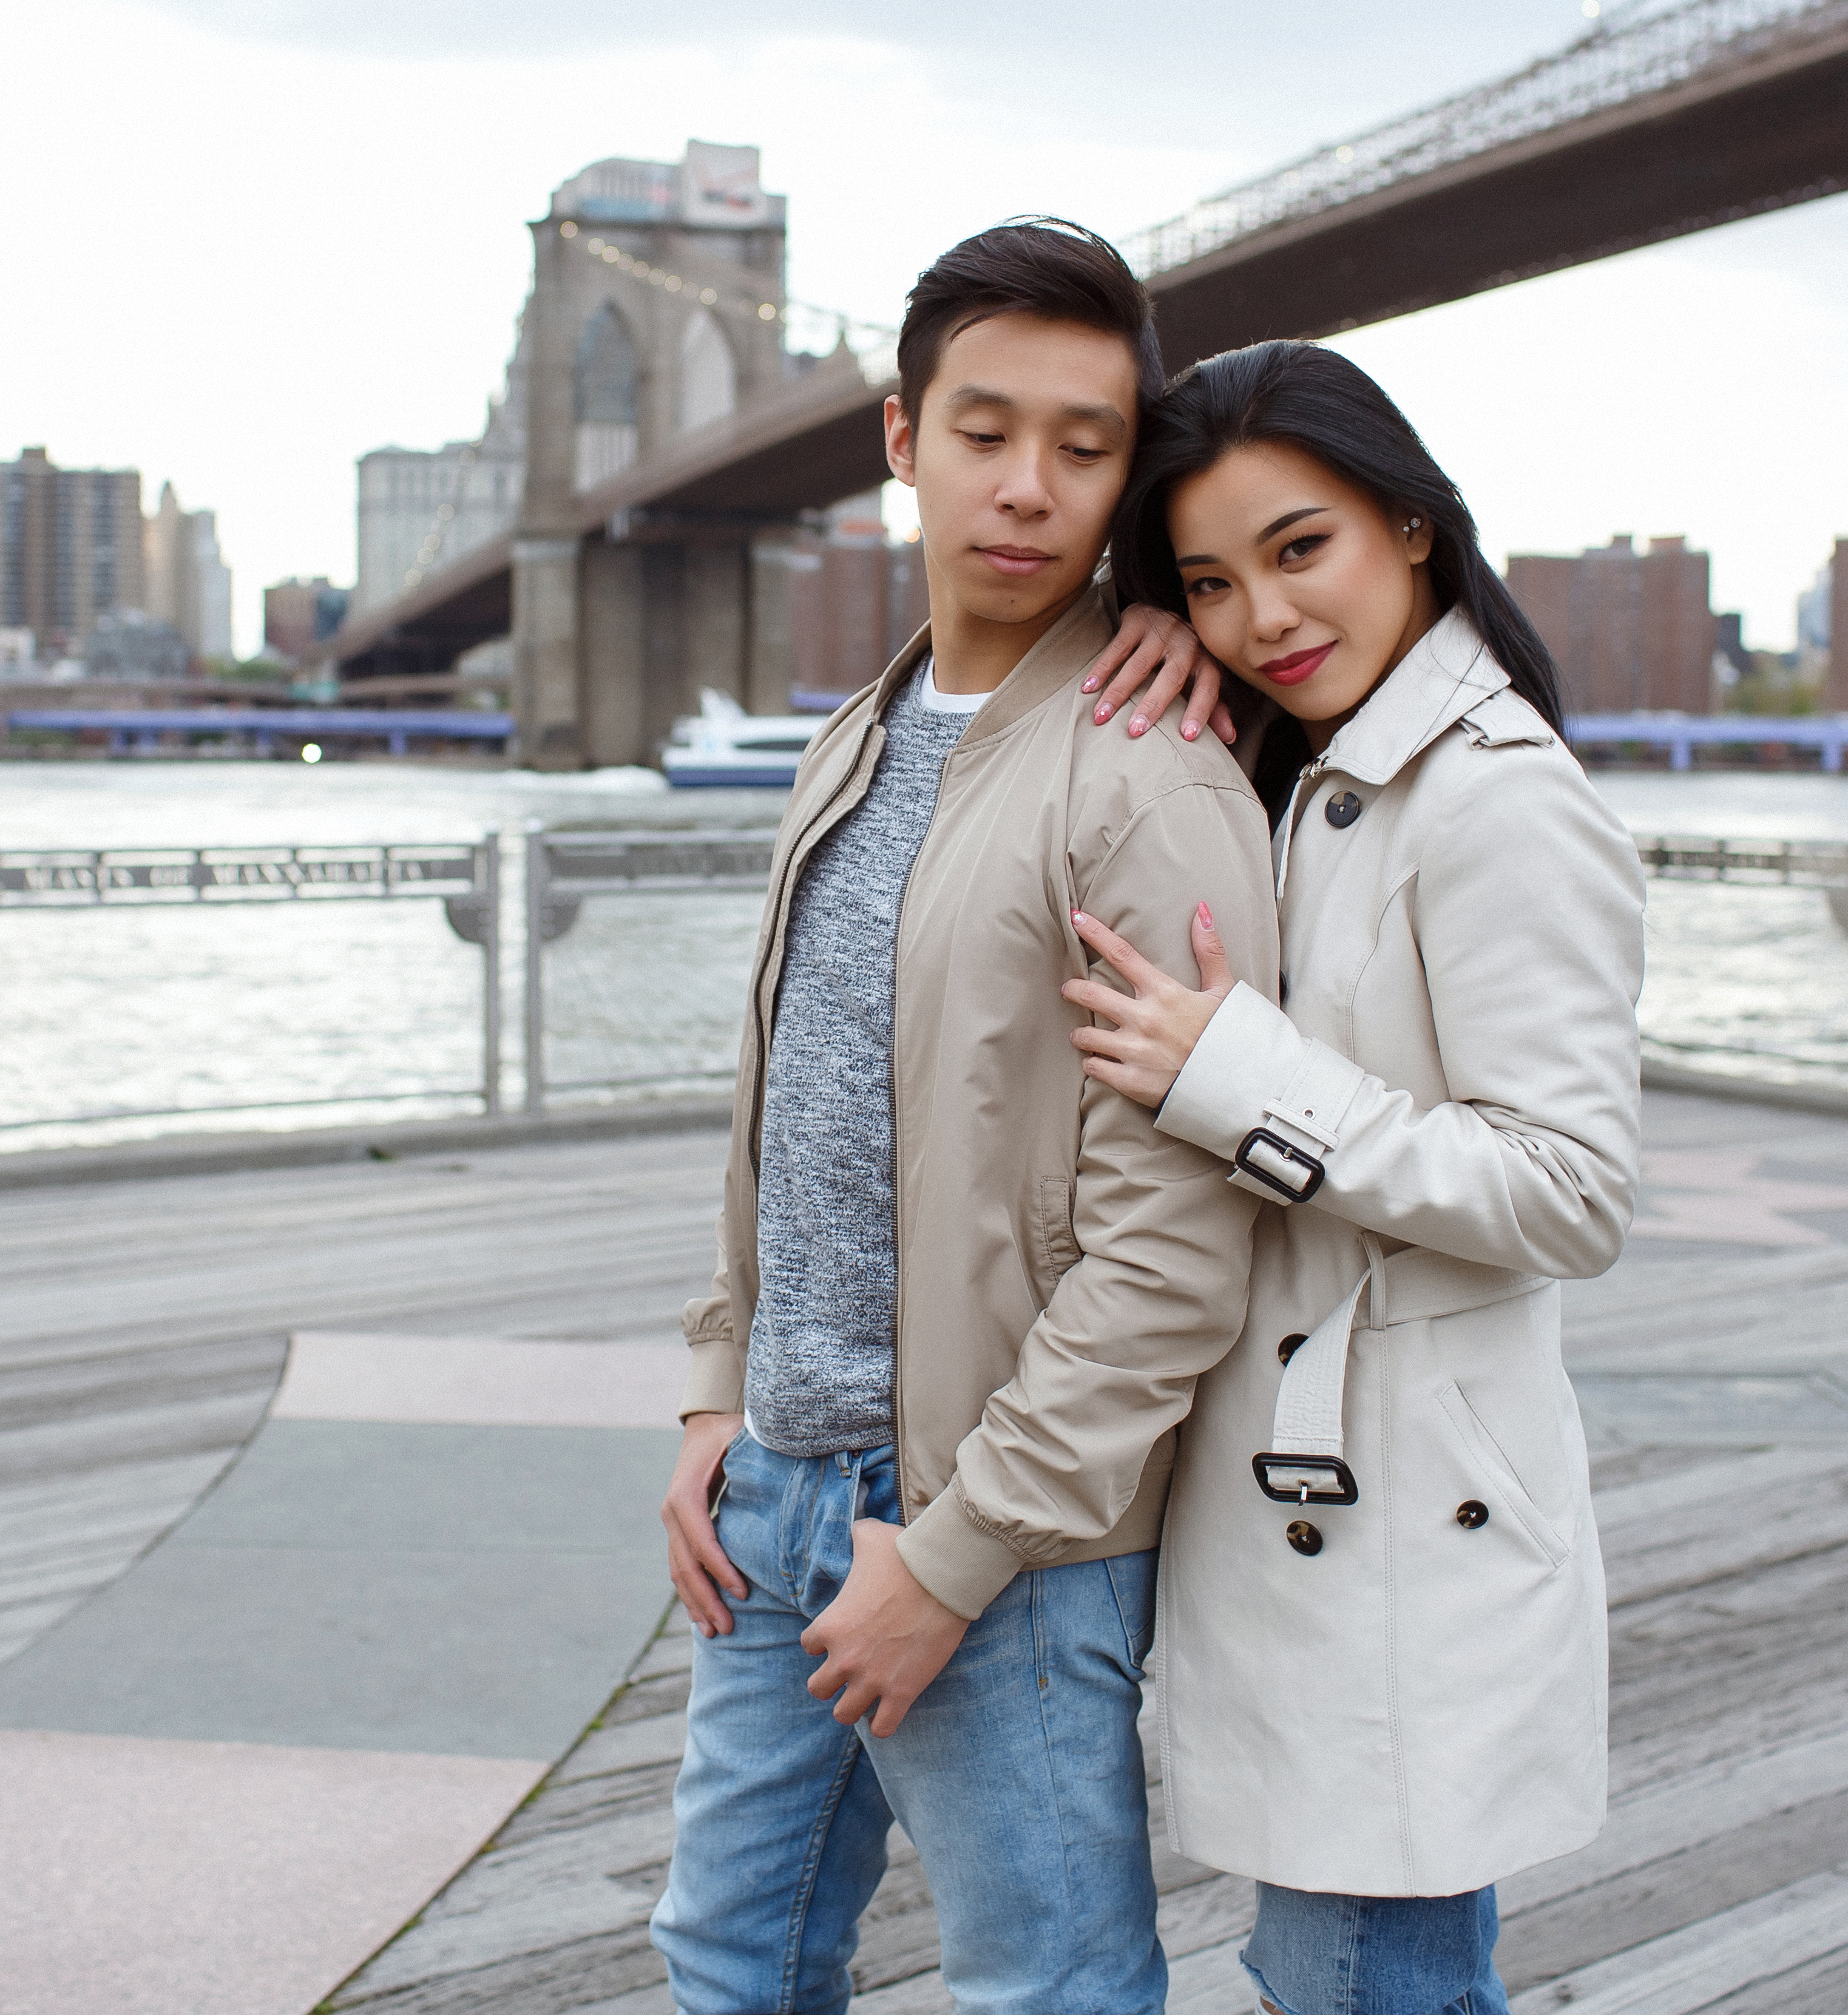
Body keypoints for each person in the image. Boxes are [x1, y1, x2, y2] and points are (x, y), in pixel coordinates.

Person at [652, 221, 1278, 2015]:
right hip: (778, 1481)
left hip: (988, 1522)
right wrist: (721, 1385)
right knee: (726, 1963)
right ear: (898, 438)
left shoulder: (1150, 771)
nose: (1029, 488)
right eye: (984, 431)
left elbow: (1180, 1247)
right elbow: (785, 1098)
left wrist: (958, 1550)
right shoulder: (857, 731)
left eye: (1086, 449)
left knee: (1049, 1990)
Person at [1061, 340, 1643, 2015]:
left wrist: (1234, 1079)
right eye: (1211, 581)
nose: (1264, 615)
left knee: (1357, 1970)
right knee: (1335, 1961)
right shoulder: (1323, 771)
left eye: (1298, 548)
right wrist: (1158, 642)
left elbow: (1571, 1189)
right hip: (1327, 1493)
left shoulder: (1496, 800)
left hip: (1404, 1517)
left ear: (1409, 525)